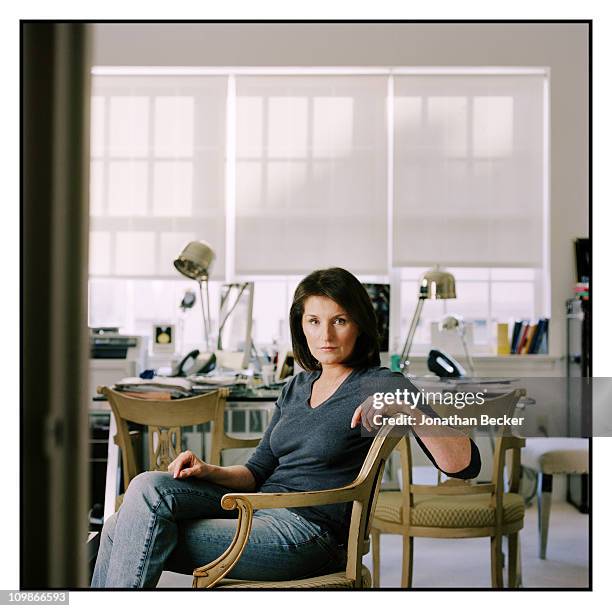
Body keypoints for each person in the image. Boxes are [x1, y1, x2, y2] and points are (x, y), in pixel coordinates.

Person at [91, 267, 479, 588]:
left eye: (339, 321)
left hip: (309, 535)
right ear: (301, 326)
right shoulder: (296, 385)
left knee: (122, 530)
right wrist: (209, 471)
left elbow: (463, 463)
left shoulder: (382, 383)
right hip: (257, 509)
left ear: (359, 325)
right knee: (144, 490)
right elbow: (257, 471)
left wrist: (404, 408)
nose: (325, 335)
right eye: (314, 321)